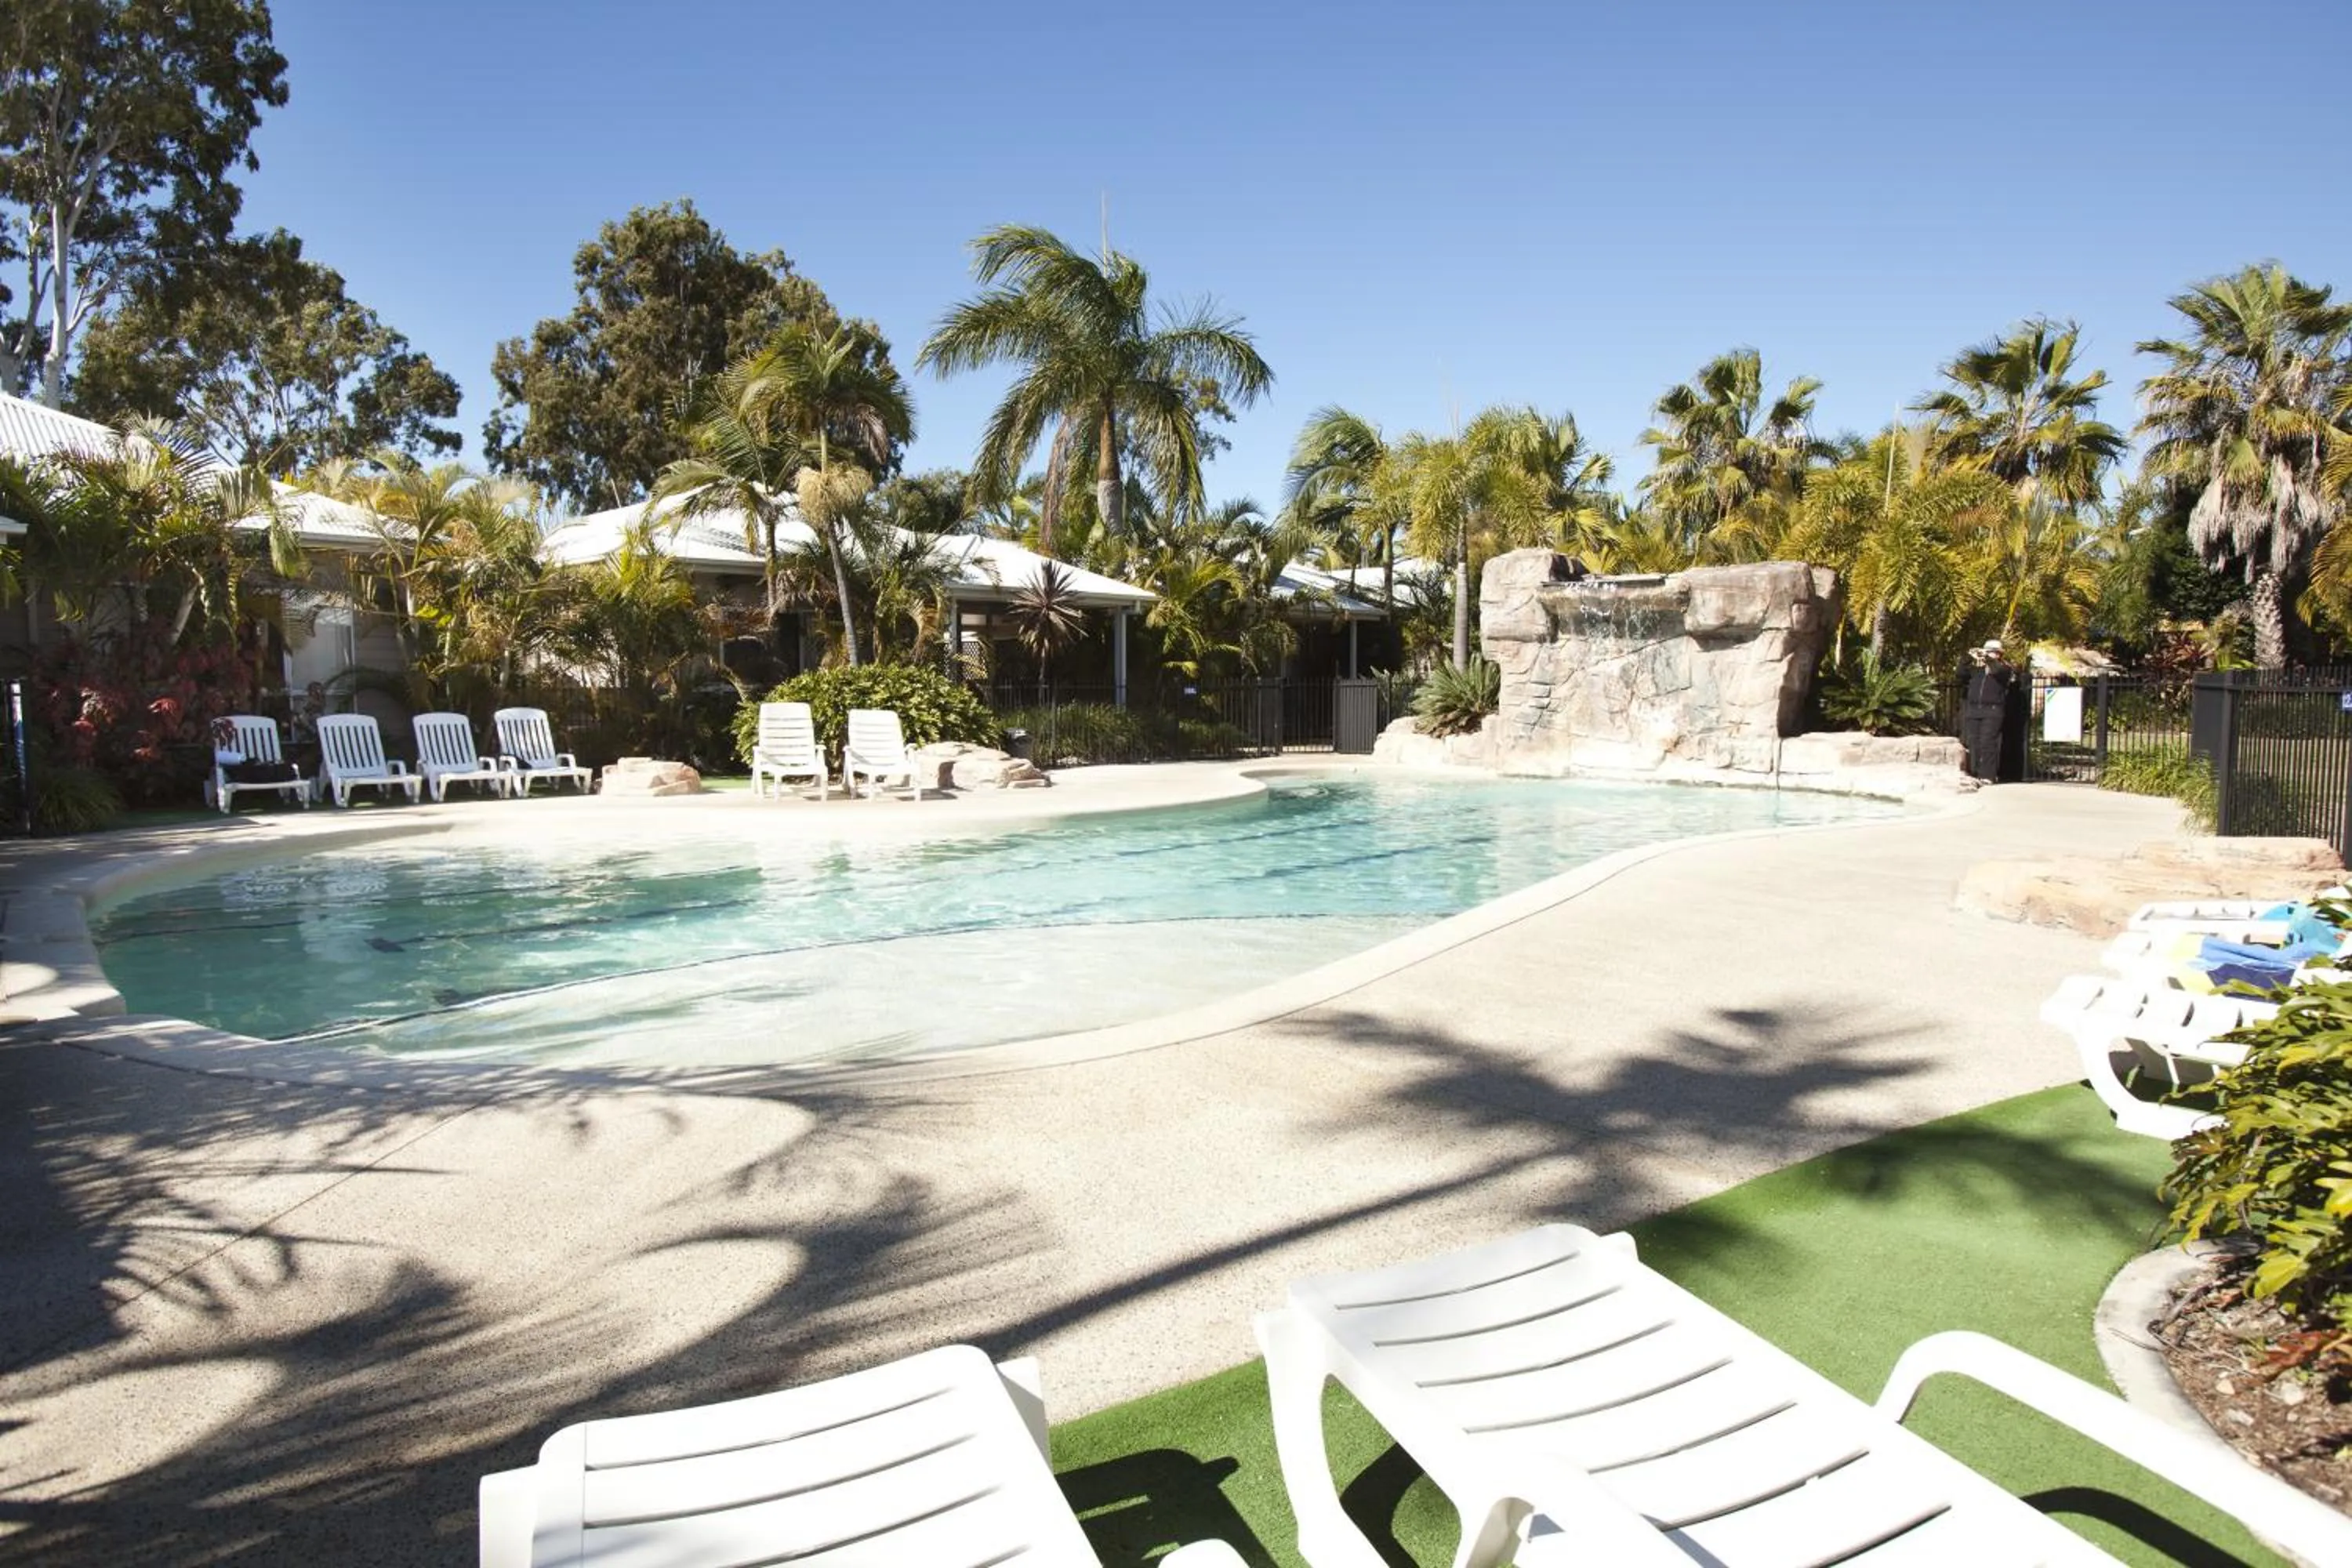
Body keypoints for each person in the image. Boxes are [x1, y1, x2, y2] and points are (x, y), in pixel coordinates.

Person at [1959, 638, 2018, 782]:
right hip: (1974, 710)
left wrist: (1987, 657)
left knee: (1988, 742)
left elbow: (1996, 669)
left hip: (1992, 711)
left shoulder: (2004, 670)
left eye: (1992, 652)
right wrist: (1968, 657)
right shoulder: (1977, 671)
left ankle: (1987, 775)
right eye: (1988, 651)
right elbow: (1960, 674)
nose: (1989, 654)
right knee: (1974, 742)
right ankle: (1974, 773)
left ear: (1998, 654)